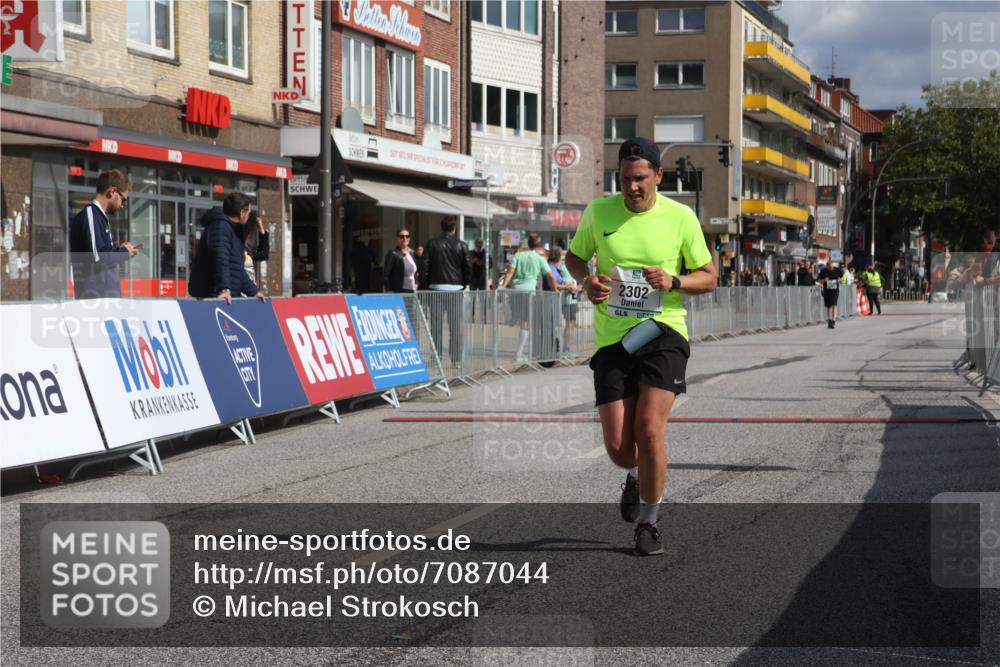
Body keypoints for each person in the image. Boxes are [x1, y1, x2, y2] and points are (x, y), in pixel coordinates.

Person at [566, 137, 717, 556]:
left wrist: (674, 281)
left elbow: (709, 276)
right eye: (624, 179)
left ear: (658, 176)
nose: (632, 187)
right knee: (619, 449)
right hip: (613, 339)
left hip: (663, 332)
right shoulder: (598, 212)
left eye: (640, 179)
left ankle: (649, 523)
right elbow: (575, 258)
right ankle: (633, 475)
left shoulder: (680, 217)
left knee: (649, 430)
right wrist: (587, 281)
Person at [68, 169, 138, 299]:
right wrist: (123, 252)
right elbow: (98, 256)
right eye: (123, 200)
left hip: (105, 299)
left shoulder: (99, 217)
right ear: (112, 191)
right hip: (96, 300)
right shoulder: (91, 214)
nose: (122, 205)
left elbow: (101, 253)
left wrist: (119, 249)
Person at [188, 192, 265, 304]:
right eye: (248, 212)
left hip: (229, 294)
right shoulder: (220, 226)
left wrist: (254, 292)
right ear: (242, 213)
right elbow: (220, 259)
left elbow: (237, 269)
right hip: (214, 295)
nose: (249, 216)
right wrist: (224, 288)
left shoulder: (235, 229)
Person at [421, 217, 472, 366]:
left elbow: (424, 266)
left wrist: (426, 285)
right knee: (455, 326)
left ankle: (436, 357)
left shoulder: (432, 243)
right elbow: (468, 267)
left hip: (435, 288)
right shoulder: (462, 245)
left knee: (436, 325)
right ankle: (456, 359)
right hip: (455, 289)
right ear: (454, 228)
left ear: (441, 227)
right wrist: (464, 284)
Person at [501, 232, 557, 362]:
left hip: (516, 291)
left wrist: (503, 286)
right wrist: (555, 289)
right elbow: (551, 276)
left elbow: (510, 271)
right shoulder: (539, 258)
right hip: (529, 292)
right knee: (526, 323)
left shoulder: (518, 255)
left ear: (528, 243)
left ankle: (511, 317)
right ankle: (519, 354)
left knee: (518, 319)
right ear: (539, 245)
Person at [383, 227, 418, 293]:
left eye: (407, 236)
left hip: (412, 290)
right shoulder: (393, 254)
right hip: (398, 291)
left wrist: (416, 283)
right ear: (397, 238)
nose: (405, 238)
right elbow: (385, 275)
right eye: (402, 236)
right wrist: (389, 290)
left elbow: (415, 273)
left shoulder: (412, 253)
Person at [243, 210, 269, 288]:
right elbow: (263, 254)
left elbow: (263, 254)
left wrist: (262, 232)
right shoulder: (240, 251)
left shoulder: (247, 253)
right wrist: (262, 231)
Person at [817, 261, 844, 328]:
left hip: (835, 290)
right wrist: (824, 280)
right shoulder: (823, 271)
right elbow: (819, 280)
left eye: (832, 267)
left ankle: (833, 320)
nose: (831, 268)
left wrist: (839, 280)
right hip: (827, 290)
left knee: (834, 304)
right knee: (829, 306)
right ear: (827, 266)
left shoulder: (837, 270)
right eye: (830, 267)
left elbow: (842, 278)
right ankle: (829, 320)